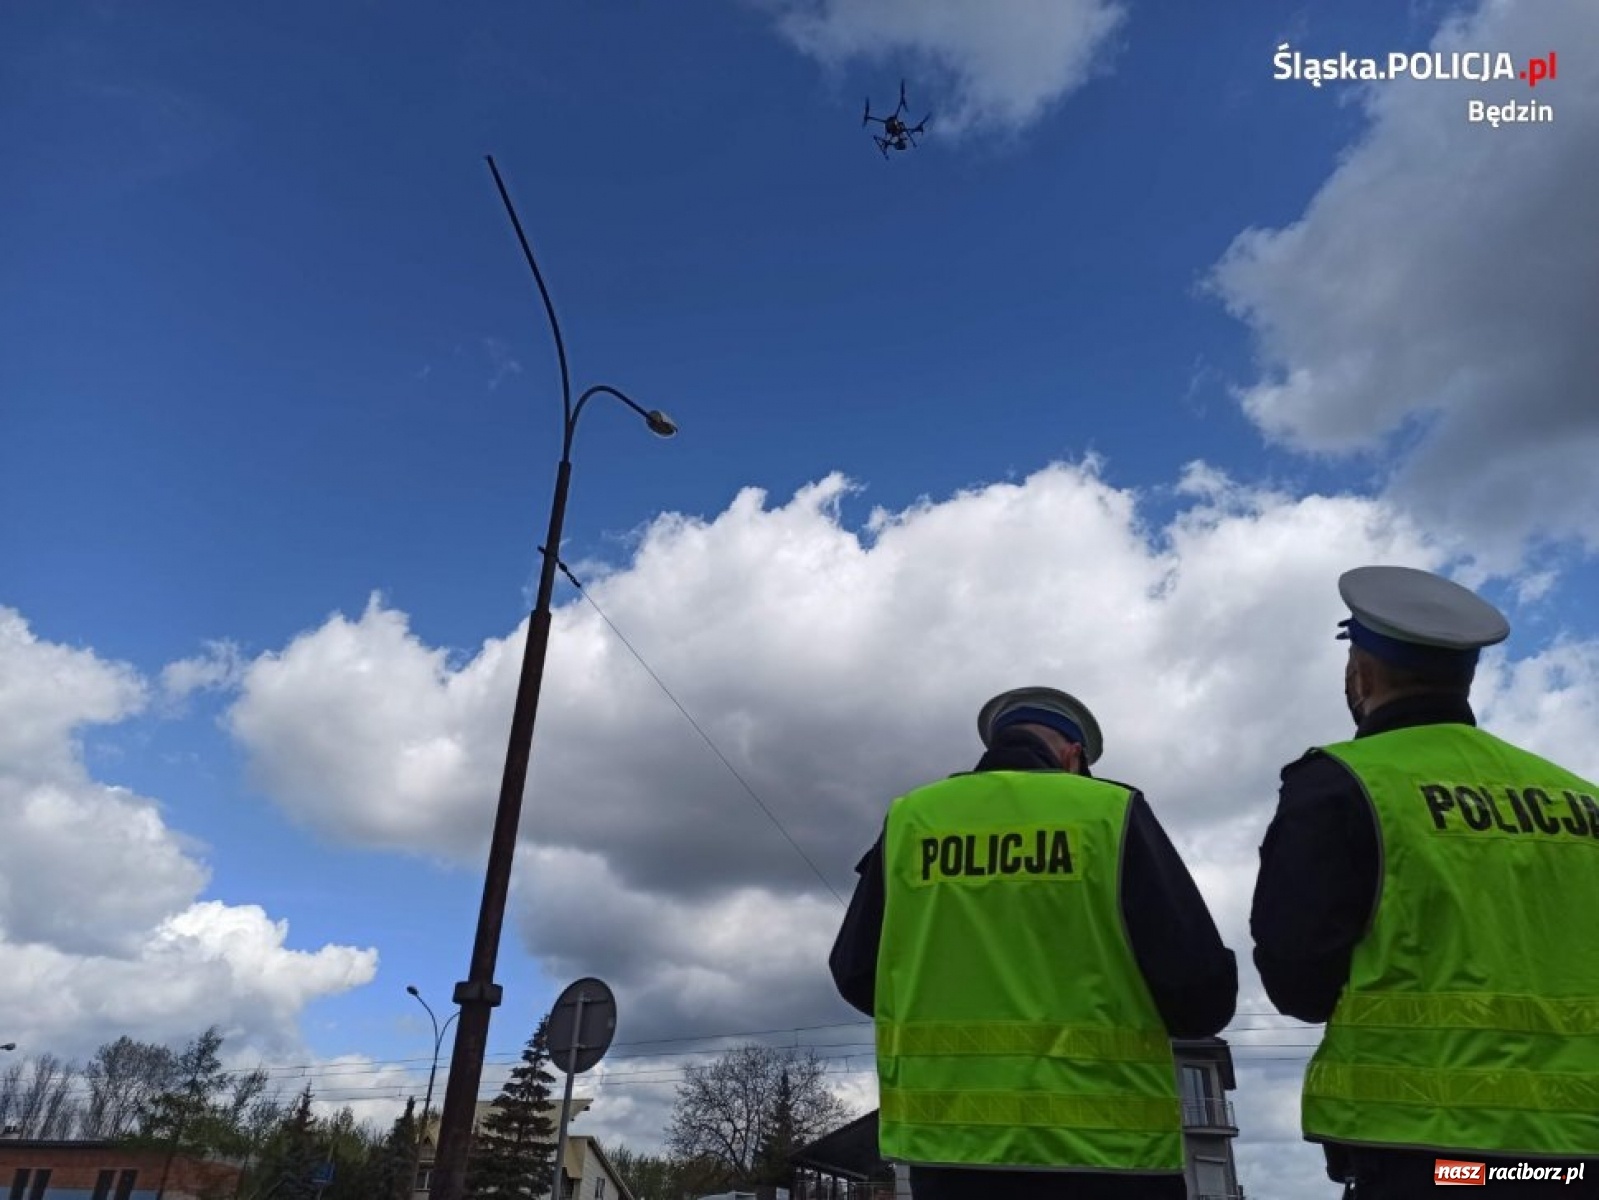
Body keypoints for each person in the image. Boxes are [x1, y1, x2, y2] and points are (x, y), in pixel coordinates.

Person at [1251, 565, 1599, 1198]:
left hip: (1437, 1162)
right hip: (1578, 1162)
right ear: (1466, 673)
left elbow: (1298, 978)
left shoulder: (1341, 783)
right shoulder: (1582, 799)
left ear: (1362, 670)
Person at [830, 686, 1237, 1198]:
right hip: (1109, 1158)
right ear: (1073, 757)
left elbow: (854, 971)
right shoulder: (1109, 812)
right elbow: (1199, 990)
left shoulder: (911, 821)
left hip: (952, 1159)